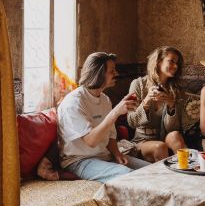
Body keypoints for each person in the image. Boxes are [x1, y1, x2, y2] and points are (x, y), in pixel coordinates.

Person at [58, 52, 151, 182]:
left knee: (153, 171)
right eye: (112, 71)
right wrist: (115, 113)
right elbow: (91, 141)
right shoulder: (74, 102)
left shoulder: (105, 99)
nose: (117, 74)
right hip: (79, 161)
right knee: (130, 177)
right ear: (98, 73)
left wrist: (117, 154)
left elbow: (111, 135)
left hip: (104, 156)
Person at [127, 46, 187, 161]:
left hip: (164, 137)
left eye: (177, 63)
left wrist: (171, 106)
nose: (175, 66)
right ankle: (164, 178)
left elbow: (174, 129)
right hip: (142, 140)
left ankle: (187, 173)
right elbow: (131, 121)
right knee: (160, 147)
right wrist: (146, 100)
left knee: (175, 135)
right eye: (171, 61)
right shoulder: (138, 84)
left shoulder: (175, 90)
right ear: (159, 62)